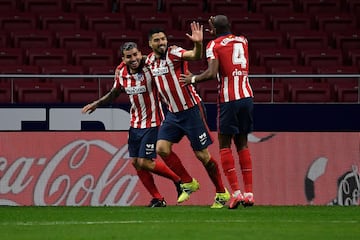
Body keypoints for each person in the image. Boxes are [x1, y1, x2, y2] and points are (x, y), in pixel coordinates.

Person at [82, 42, 190, 207]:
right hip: (135, 124)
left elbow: (159, 59)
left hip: (154, 122)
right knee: (135, 162)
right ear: (123, 59)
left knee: (145, 162)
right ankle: (158, 198)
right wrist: (96, 104)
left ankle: (179, 181)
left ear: (140, 54)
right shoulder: (122, 74)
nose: (133, 59)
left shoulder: (149, 68)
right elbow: (114, 93)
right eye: (128, 56)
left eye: (135, 55)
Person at [146, 22, 230, 209]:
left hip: (191, 110)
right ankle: (188, 182)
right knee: (161, 148)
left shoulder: (174, 52)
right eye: (156, 40)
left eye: (163, 39)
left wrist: (198, 44)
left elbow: (194, 55)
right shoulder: (150, 61)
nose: (161, 42)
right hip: (173, 114)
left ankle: (221, 192)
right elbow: (135, 62)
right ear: (150, 44)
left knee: (202, 155)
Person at [180, 15, 255, 209]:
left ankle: (236, 193)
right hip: (247, 96)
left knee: (224, 145)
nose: (209, 30)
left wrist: (193, 79)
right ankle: (249, 194)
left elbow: (212, 73)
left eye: (210, 27)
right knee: (243, 144)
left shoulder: (214, 45)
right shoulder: (243, 40)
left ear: (215, 30)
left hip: (229, 100)